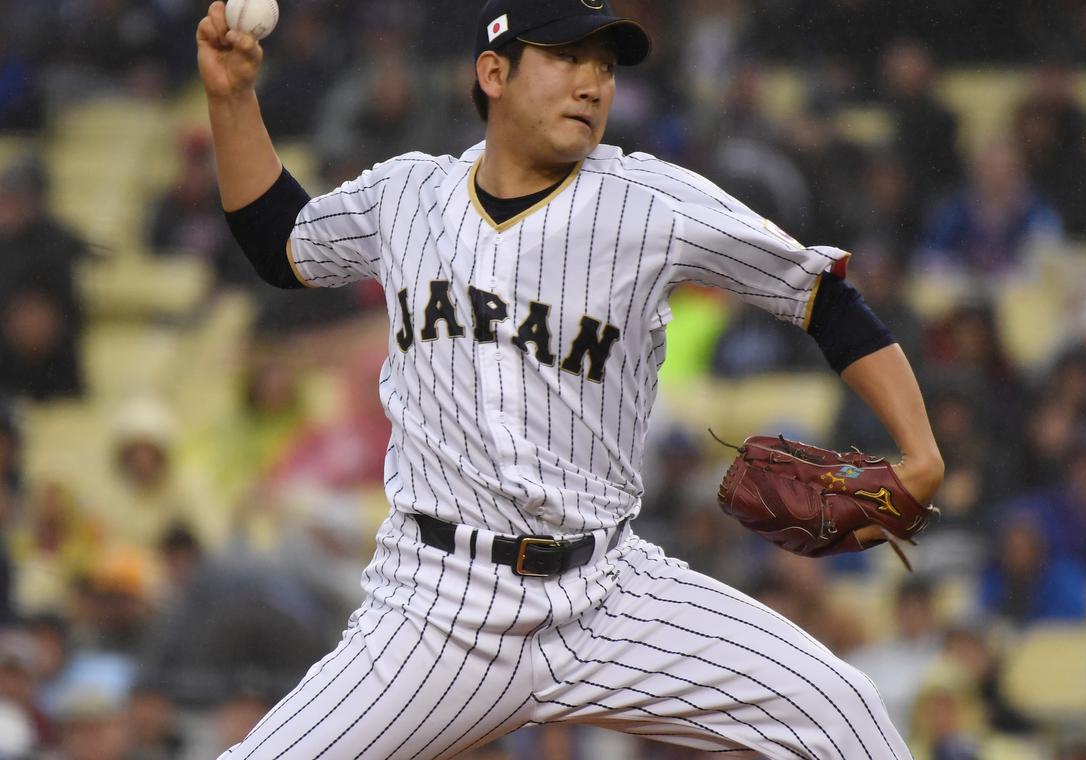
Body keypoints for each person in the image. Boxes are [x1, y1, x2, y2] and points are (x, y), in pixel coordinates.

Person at [196, 0, 944, 757]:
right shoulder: (407, 196)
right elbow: (281, 241)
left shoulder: (652, 202)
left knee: (843, 711)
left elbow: (823, 298)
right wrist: (232, 97)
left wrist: (920, 451)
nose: (592, 84)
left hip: (611, 593)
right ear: (494, 72)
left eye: (606, 67)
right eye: (566, 57)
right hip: (436, 607)